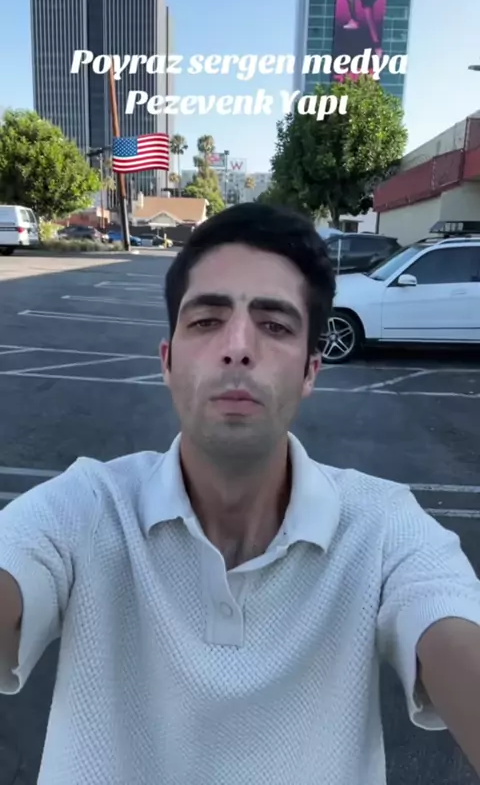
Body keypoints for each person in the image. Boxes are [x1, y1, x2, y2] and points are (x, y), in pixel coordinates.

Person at [0, 202, 480, 785]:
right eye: (206, 320)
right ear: (167, 361)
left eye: (275, 326)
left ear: (310, 371)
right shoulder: (84, 507)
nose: (238, 346)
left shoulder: (384, 528)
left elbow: (452, 626)